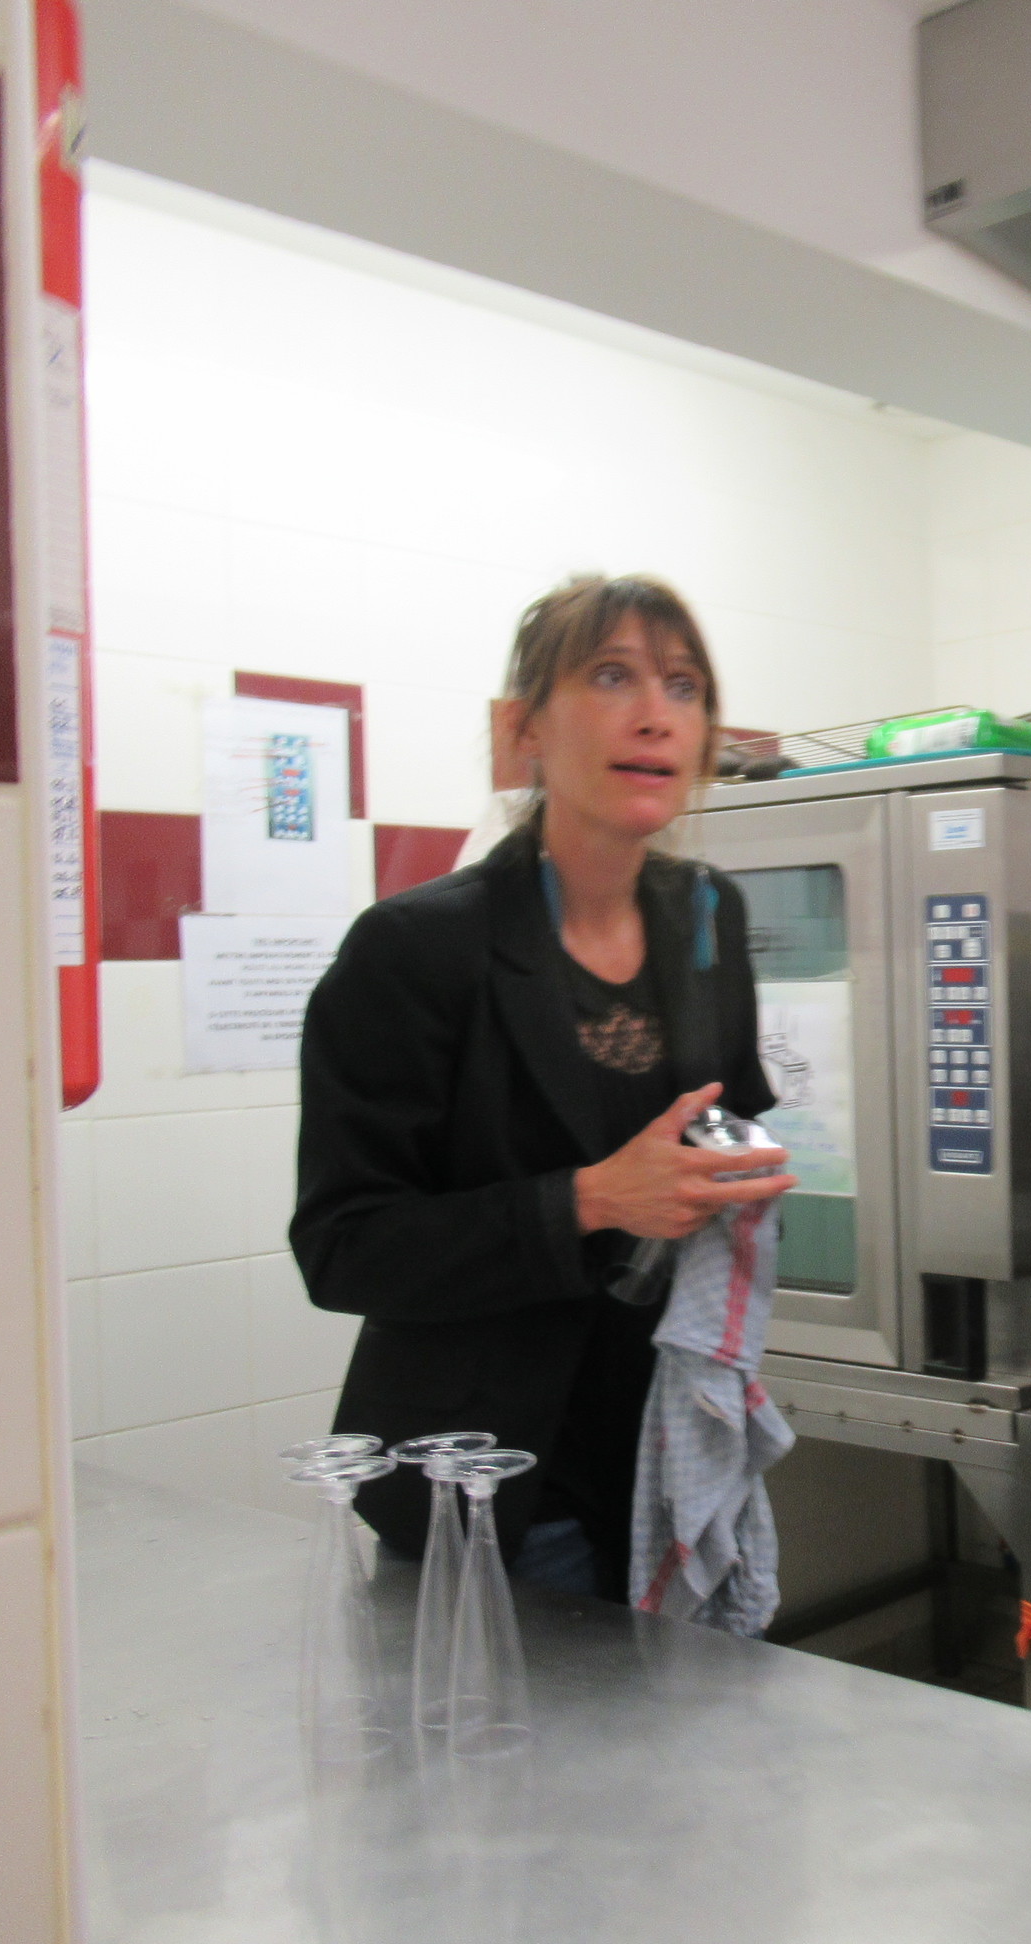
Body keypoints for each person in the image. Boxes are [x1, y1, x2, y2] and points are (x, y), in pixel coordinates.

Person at [293, 575, 793, 1601]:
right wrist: (591, 1200)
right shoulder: (417, 948)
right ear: (526, 729)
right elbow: (344, 1247)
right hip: (492, 1490)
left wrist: (735, 1173)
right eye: (611, 677)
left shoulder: (706, 914)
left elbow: (726, 1111)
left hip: (667, 1460)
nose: (655, 714)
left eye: (684, 686)